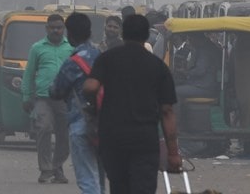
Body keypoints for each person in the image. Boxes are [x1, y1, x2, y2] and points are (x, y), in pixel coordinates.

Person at [83, 14, 181, 194]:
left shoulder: (107, 58)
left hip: (112, 138)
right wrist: (173, 153)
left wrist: (94, 104)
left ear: (124, 33)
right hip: (144, 140)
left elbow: (91, 87)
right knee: (143, 188)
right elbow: (167, 112)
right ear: (146, 36)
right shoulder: (158, 67)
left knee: (119, 187)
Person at [50, 12, 106, 194]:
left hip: (81, 123)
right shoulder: (101, 56)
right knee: (100, 175)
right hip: (104, 123)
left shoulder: (72, 63)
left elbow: (56, 91)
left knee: (87, 178)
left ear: (70, 34)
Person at [22, 13, 73, 184]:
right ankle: (45, 169)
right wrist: (26, 96)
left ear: (63, 28)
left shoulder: (71, 48)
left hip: (65, 99)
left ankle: (57, 168)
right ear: (47, 29)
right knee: (44, 128)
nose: (56, 30)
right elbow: (29, 74)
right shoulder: (37, 48)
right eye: (52, 28)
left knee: (64, 135)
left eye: (59, 27)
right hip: (43, 98)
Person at [173, 32, 221, 104]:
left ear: (196, 38)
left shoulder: (205, 50)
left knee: (175, 91)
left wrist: (186, 72)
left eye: (190, 39)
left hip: (205, 87)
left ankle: (177, 115)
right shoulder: (208, 47)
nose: (189, 42)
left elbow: (200, 70)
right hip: (206, 85)